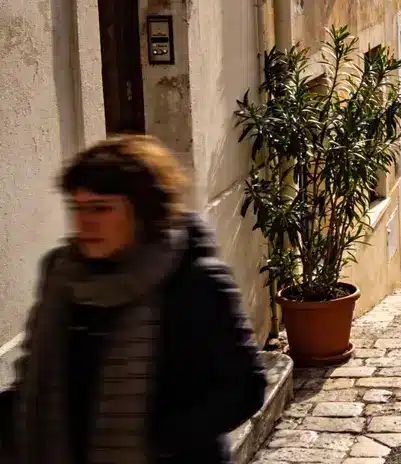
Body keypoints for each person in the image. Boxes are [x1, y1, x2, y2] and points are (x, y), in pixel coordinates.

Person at [0, 136, 266, 464]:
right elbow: (35, 379)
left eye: (101, 208)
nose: (86, 222)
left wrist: (159, 440)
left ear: (141, 212)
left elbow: (244, 387)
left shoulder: (193, 280)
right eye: (78, 208)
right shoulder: (60, 275)